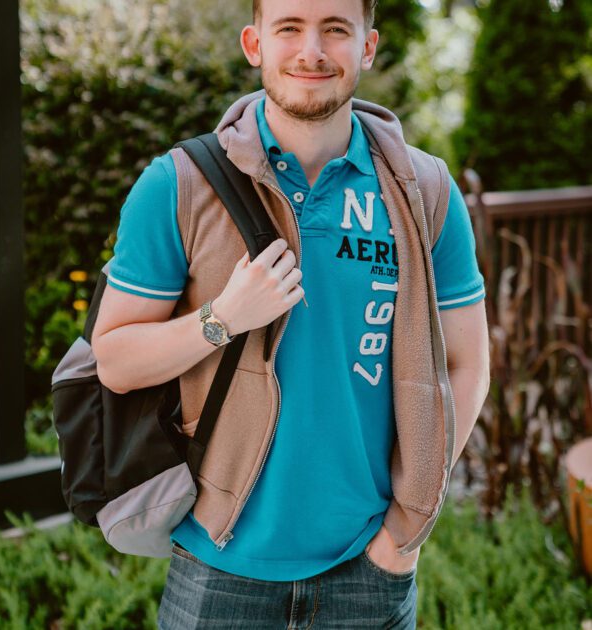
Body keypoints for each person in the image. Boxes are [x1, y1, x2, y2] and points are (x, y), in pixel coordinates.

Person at [91, 0, 490, 627]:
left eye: (335, 29)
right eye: (289, 28)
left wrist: (402, 534)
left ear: (368, 46)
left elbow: (468, 366)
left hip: (368, 569)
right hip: (216, 568)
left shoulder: (425, 191)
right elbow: (113, 361)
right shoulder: (179, 185)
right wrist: (221, 317)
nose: (312, 51)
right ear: (254, 44)